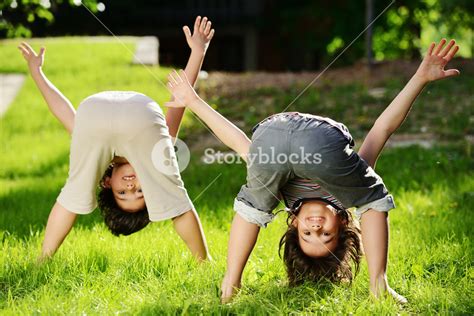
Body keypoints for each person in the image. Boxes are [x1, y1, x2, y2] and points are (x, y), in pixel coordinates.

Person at [164, 39, 460, 302]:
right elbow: (382, 129)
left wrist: (194, 101)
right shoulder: (346, 191)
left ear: (293, 224)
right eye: (326, 236)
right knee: (370, 199)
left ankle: (231, 283)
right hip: (319, 143)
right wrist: (419, 79)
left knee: (255, 201)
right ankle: (378, 283)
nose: (316, 228)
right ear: (344, 225)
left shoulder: (281, 190)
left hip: (271, 136)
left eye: (307, 234)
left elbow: (239, 143)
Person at [18, 16, 216, 262]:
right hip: (141, 116)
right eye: (141, 191)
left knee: (73, 193)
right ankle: (203, 260)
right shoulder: (155, 156)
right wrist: (198, 52)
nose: (131, 186)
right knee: (174, 195)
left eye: (123, 193)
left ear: (108, 183)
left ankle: (43, 259)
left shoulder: (93, 149)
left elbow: (64, 111)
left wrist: (37, 73)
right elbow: (179, 103)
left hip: (94, 116)